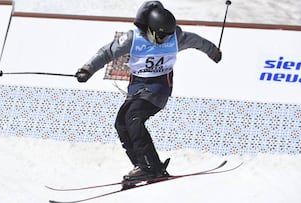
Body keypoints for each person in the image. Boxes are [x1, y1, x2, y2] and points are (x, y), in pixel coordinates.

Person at [75, 1, 222, 183]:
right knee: (121, 124)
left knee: (134, 118)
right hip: (137, 87)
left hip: (159, 87)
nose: (164, 40)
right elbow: (107, 53)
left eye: (167, 36)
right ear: (149, 29)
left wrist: (213, 52)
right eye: (160, 37)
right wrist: (87, 69)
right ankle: (144, 166)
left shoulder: (175, 37)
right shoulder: (133, 38)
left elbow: (198, 42)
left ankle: (148, 167)